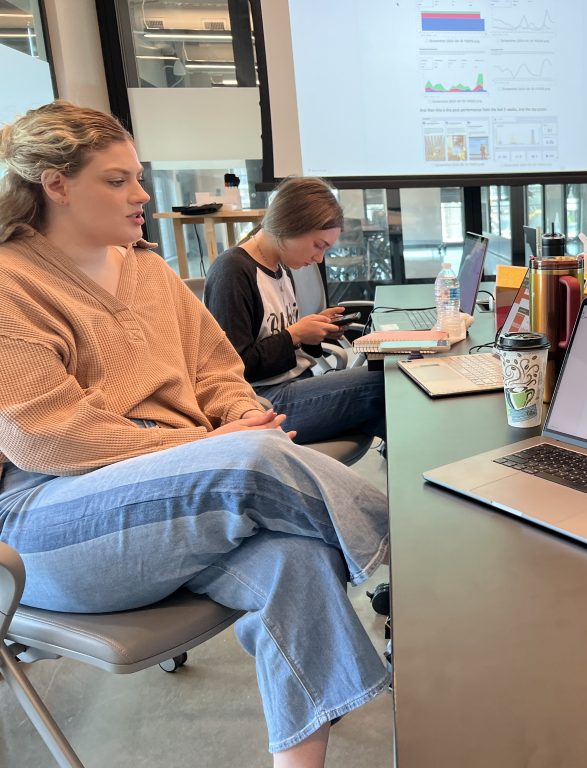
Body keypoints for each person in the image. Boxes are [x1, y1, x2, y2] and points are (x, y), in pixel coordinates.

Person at [0, 101, 389, 767]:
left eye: (137, 177)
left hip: (180, 498)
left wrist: (237, 414)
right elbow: (51, 440)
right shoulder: (10, 282)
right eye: (116, 180)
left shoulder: (146, 267)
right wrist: (217, 444)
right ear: (54, 183)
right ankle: (413, 565)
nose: (141, 194)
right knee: (250, 460)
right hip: (49, 524)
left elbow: (217, 367)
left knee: (292, 562)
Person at [204, 177, 385, 445]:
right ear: (290, 226)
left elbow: (280, 344)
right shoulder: (232, 271)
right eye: (318, 245)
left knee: (383, 399)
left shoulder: (280, 266)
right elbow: (236, 368)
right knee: (384, 383)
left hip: (295, 384)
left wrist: (313, 333)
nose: (319, 259)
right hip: (262, 402)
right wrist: (295, 335)